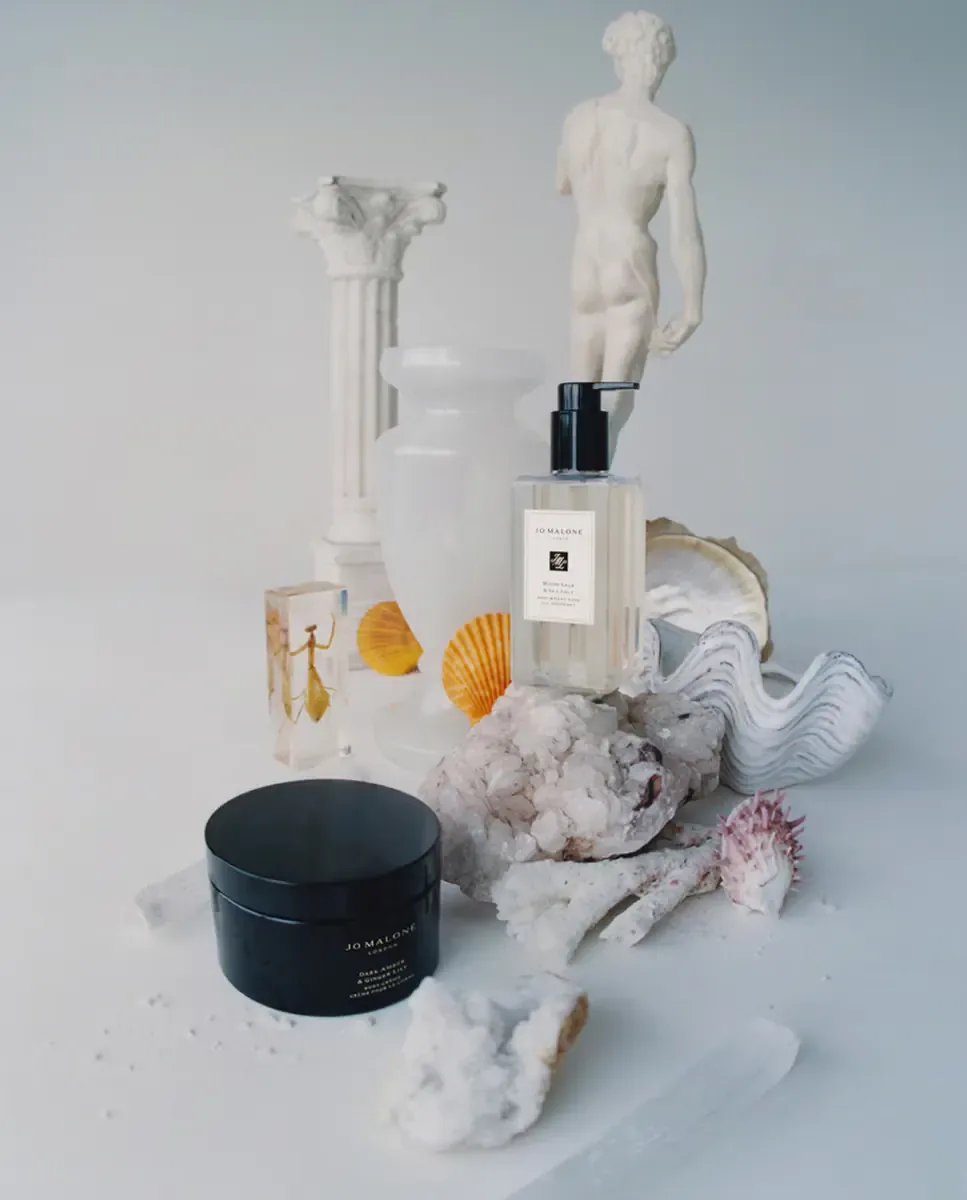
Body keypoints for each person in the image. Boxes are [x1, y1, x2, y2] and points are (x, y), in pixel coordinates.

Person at [557, 11, 707, 448]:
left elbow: (561, 182)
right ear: (661, 60)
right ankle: (594, 477)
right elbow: (685, 229)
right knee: (616, 393)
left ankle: (572, 477)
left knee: (578, 388)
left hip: (585, 258)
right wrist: (692, 306)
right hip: (628, 255)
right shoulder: (670, 133)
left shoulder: (580, 118)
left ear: (619, 58)